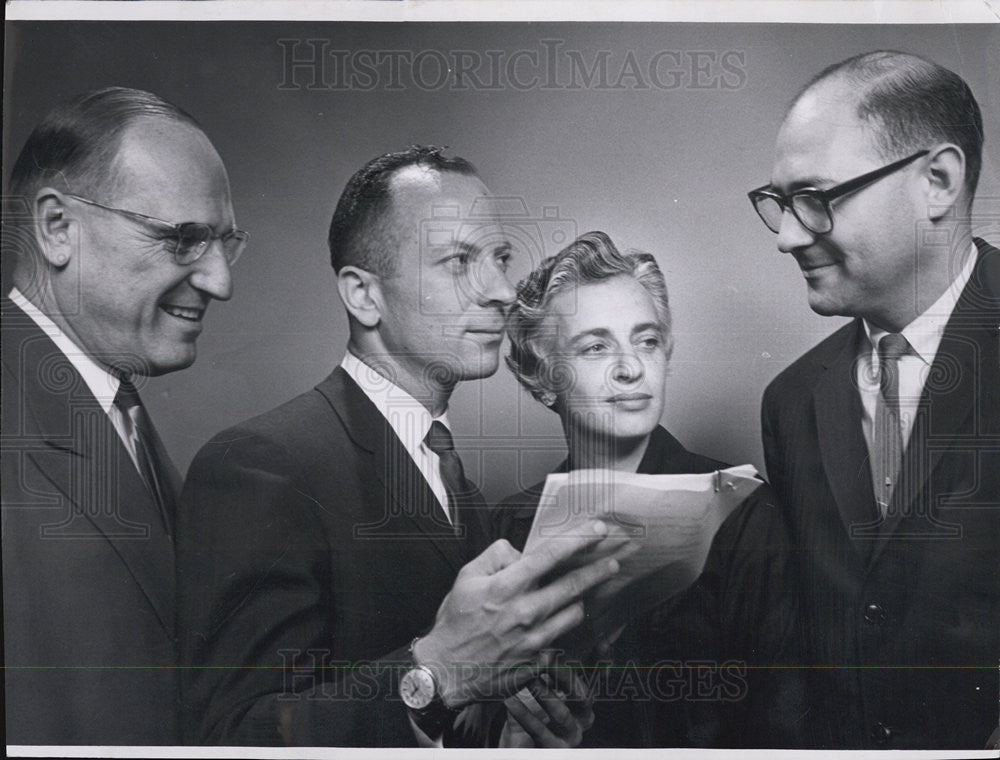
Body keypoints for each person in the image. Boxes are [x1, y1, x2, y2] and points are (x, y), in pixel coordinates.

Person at [175, 147, 623, 747]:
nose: (501, 291)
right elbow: (234, 737)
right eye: (459, 261)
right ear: (363, 295)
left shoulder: (459, 487)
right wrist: (434, 674)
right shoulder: (261, 466)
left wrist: (513, 725)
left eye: (501, 257)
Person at [749, 50, 999, 749]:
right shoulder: (792, 402)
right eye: (779, 204)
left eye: (817, 199)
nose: (789, 236)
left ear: (938, 183)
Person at [1, 87, 244, 744]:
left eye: (224, 242)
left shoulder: (121, 413)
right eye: (184, 238)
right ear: (57, 228)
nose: (220, 281)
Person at [493, 231, 801, 747]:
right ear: (541, 377)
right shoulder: (507, 528)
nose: (631, 368)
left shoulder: (743, 511)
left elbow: (782, 727)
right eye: (596, 346)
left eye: (647, 340)